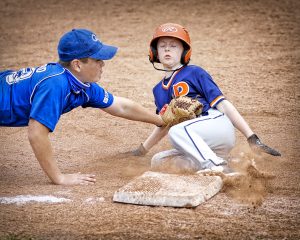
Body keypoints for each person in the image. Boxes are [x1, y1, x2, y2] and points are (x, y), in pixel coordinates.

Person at [0, 28, 165, 185]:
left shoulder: (83, 86)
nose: (103, 64)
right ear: (77, 65)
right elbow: (36, 134)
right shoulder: (55, 84)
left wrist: (160, 120)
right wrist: (59, 178)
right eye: (98, 60)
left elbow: (121, 107)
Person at [132, 23, 281, 173]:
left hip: (216, 125)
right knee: (159, 161)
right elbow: (163, 124)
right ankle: (234, 163)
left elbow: (223, 105)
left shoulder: (195, 72)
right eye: (162, 45)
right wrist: (142, 150)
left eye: (173, 45)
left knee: (176, 131)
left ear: (184, 52)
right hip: (197, 140)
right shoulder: (158, 90)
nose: (167, 49)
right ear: (155, 52)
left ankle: (218, 167)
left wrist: (251, 137)